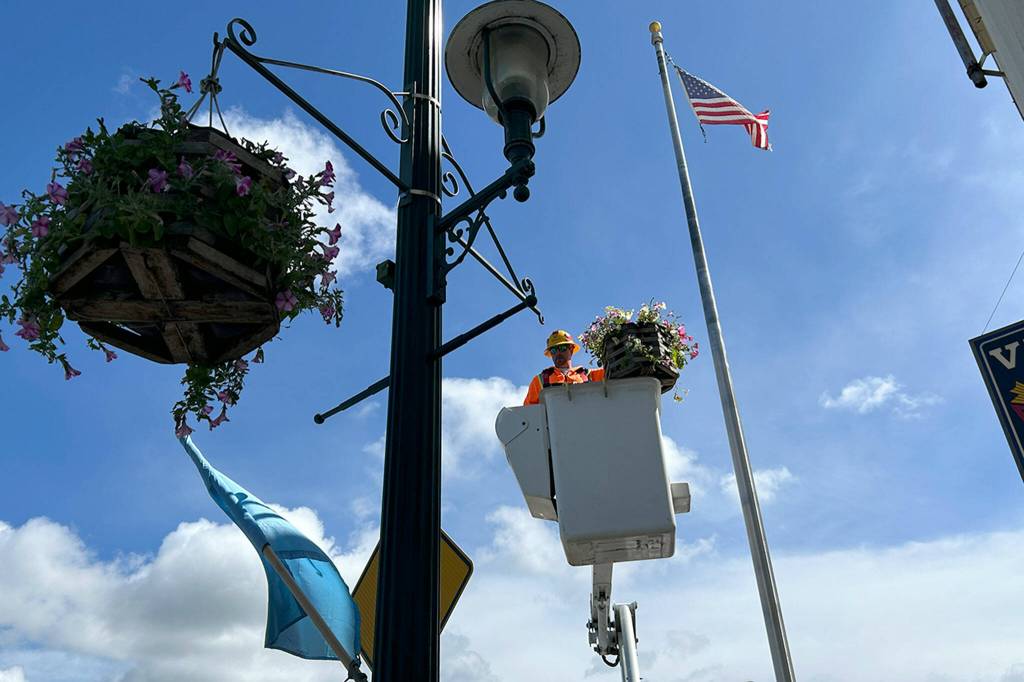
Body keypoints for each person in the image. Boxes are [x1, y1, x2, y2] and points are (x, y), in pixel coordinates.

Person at [523, 330, 605, 405]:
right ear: (551, 354)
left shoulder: (587, 375)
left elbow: (613, 371)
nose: (558, 353)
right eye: (553, 351)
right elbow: (528, 411)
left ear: (571, 349)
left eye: (562, 348)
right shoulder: (539, 381)